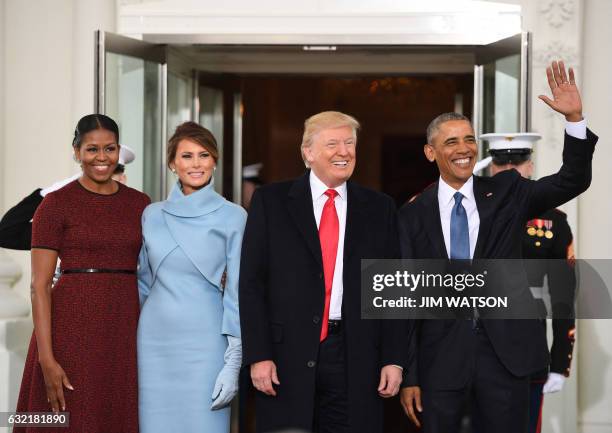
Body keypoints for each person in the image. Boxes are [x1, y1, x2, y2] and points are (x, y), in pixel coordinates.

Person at [398, 61, 596, 433]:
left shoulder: (507, 192)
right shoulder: (411, 214)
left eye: (469, 139)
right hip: (440, 361)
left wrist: (574, 120)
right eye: (451, 141)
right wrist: (410, 374)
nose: (464, 149)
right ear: (430, 152)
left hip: (507, 356)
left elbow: (572, 180)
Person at [239, 111, 410, 433]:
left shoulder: (379, 207)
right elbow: (251, 284)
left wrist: (393, 359)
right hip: (285, 354)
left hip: (356, 353)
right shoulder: (271, 202)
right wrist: (259, 355)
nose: (343, 152)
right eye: (332, 143)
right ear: (308, 152)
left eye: (349, 143)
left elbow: (393, 289)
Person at [14, 114, 150, 433]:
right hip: (69, 330)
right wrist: (47, 360)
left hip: (122, 327)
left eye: (110, 148)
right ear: (77, 152)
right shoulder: (55, 205)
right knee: (65, 418)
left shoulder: (140, 203)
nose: (101, 158)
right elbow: (39, 285)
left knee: (114, 414)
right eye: (92, 149)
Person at [137, 121, 247, 433]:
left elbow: (236, 292)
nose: (196, 164)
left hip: (206, 343)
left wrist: (233, 360)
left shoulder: (233, 216)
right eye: (186, 156)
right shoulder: (151, 214)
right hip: (153, 344)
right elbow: (142, 284)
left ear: (215, 160)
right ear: (172, 163)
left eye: (204, 155)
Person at [477, 132, 576, 433]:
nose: (509, 170)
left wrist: (560, 361)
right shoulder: (472, 209)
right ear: (491, 166)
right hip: (476, 342)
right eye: (501, 162)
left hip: (526, 339)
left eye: (518, 162)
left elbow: (563, 293)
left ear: (531, 166)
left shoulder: (553, 220)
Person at [0, 145, 136, 251]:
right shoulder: (71, 224)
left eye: (109, 175)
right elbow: (6, 234)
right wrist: (48, 193)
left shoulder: (137, 215)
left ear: (123, 179)